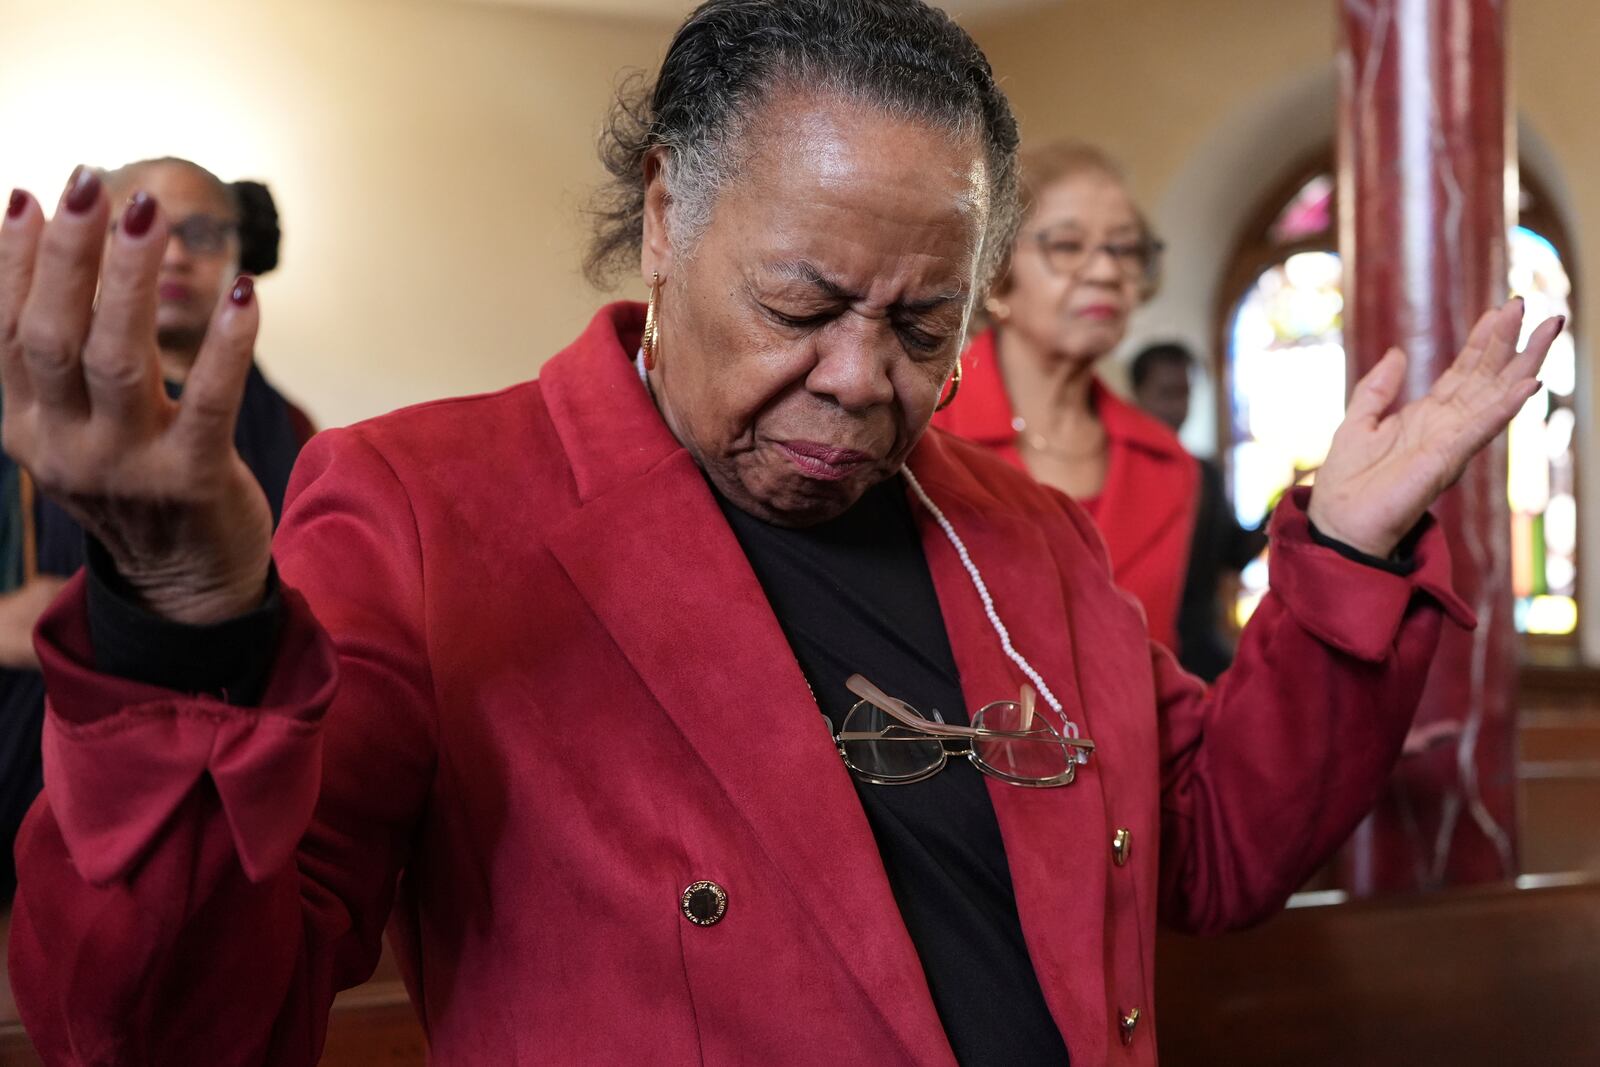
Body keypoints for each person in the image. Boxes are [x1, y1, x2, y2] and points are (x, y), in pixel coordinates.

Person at [0, 2, 1559, 1063]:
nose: (862, 379)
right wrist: (179, 621)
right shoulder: (429, 505)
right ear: (670, 219)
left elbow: (1204, 844)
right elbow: (181, 1024)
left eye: (925, 318)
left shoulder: (1022, 537)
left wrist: (1343, 551)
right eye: (802, 304)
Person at [0, 157, 312, 902]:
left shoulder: (293, 433)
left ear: (245, 255)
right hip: (23, 779)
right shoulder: (17, 409)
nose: (172, 252)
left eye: (201, 233)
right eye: (140, 227)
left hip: (216, 801)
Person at [931, 142, 1197, 650]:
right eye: (1068, 246)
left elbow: (1156, 669)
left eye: (1123, 248)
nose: (1105, 272)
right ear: (998, 273)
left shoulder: (1166, 463)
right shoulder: (924, 428)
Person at [1129, 341, 1267, 681]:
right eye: (1166, 393)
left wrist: (1283, 508)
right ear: (1137, 395)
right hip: (1136, 645)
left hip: (1198, 648)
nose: (1178, 408)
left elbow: (1234, 554)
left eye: (1186, 394)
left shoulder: (1204, 473)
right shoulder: (1118, 473)